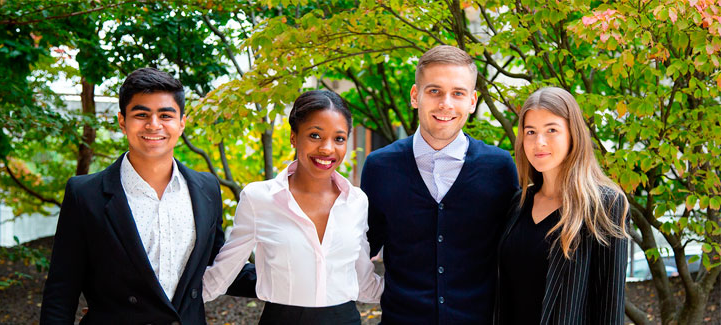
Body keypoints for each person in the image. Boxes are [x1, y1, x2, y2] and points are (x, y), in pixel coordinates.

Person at [40, 68, 256, 324]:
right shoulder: (85, 194)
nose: (154, 125)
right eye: (141, 114)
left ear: (181, 122)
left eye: (165, 115)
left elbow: (220, 266)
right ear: (122, 121)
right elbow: (61, 293)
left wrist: (289, 273)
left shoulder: (206, 188)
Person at [360, 45, 519, 324]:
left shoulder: (500, 167)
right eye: (434, 91)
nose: (446, 103)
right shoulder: (379, 167)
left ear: (472, 101)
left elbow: (514, 254)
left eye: (458, 93)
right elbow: (360, 245)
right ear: (415, 96)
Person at [202, 90, 383, 324]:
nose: (327, 149)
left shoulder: (357, 201)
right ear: (294, 137)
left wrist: (422, 296)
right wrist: (168, 303)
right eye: (315, 135)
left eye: (339, 139)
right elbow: (222, 274)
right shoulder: (258, 198)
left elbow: (364, 282)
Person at [495, 87, 629, 324]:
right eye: (531, 132)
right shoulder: (518, 203)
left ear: (572, 134)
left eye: (552, 130)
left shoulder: (606, 205)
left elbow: (610, 308)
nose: (539, 142)